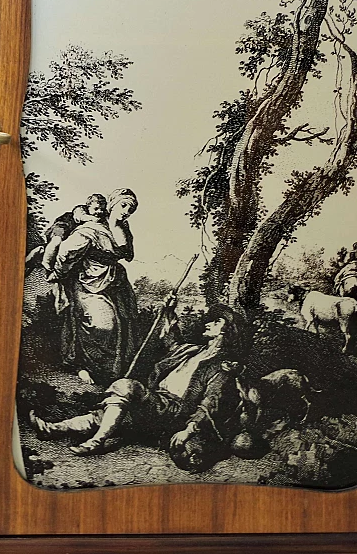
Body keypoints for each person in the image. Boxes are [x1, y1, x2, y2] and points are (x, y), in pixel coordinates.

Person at [29, 295, 246, 472]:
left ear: (228, 329)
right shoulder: (192, 349)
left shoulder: (222, 365)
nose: (208, 323)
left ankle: (97, 441)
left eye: (216, 321)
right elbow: (171, 341)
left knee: (126, 386)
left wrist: (189, 431)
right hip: (158, 399)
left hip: (175, 410)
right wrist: (169, 311)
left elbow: (211, 403)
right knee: (108, 416)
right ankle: (53, 429)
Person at [50, 188, 139, 384]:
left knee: (124, 325)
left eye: (131, 209)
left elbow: (128, 254)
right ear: (112, 204)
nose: (126, 211)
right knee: (102, 325)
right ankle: (82, 366)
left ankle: (108, 375)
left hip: (114, 284)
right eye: (123, 205)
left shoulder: (123, 228)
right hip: (88, 282)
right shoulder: (92, 226)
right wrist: (59, 273)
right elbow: (66, 252)